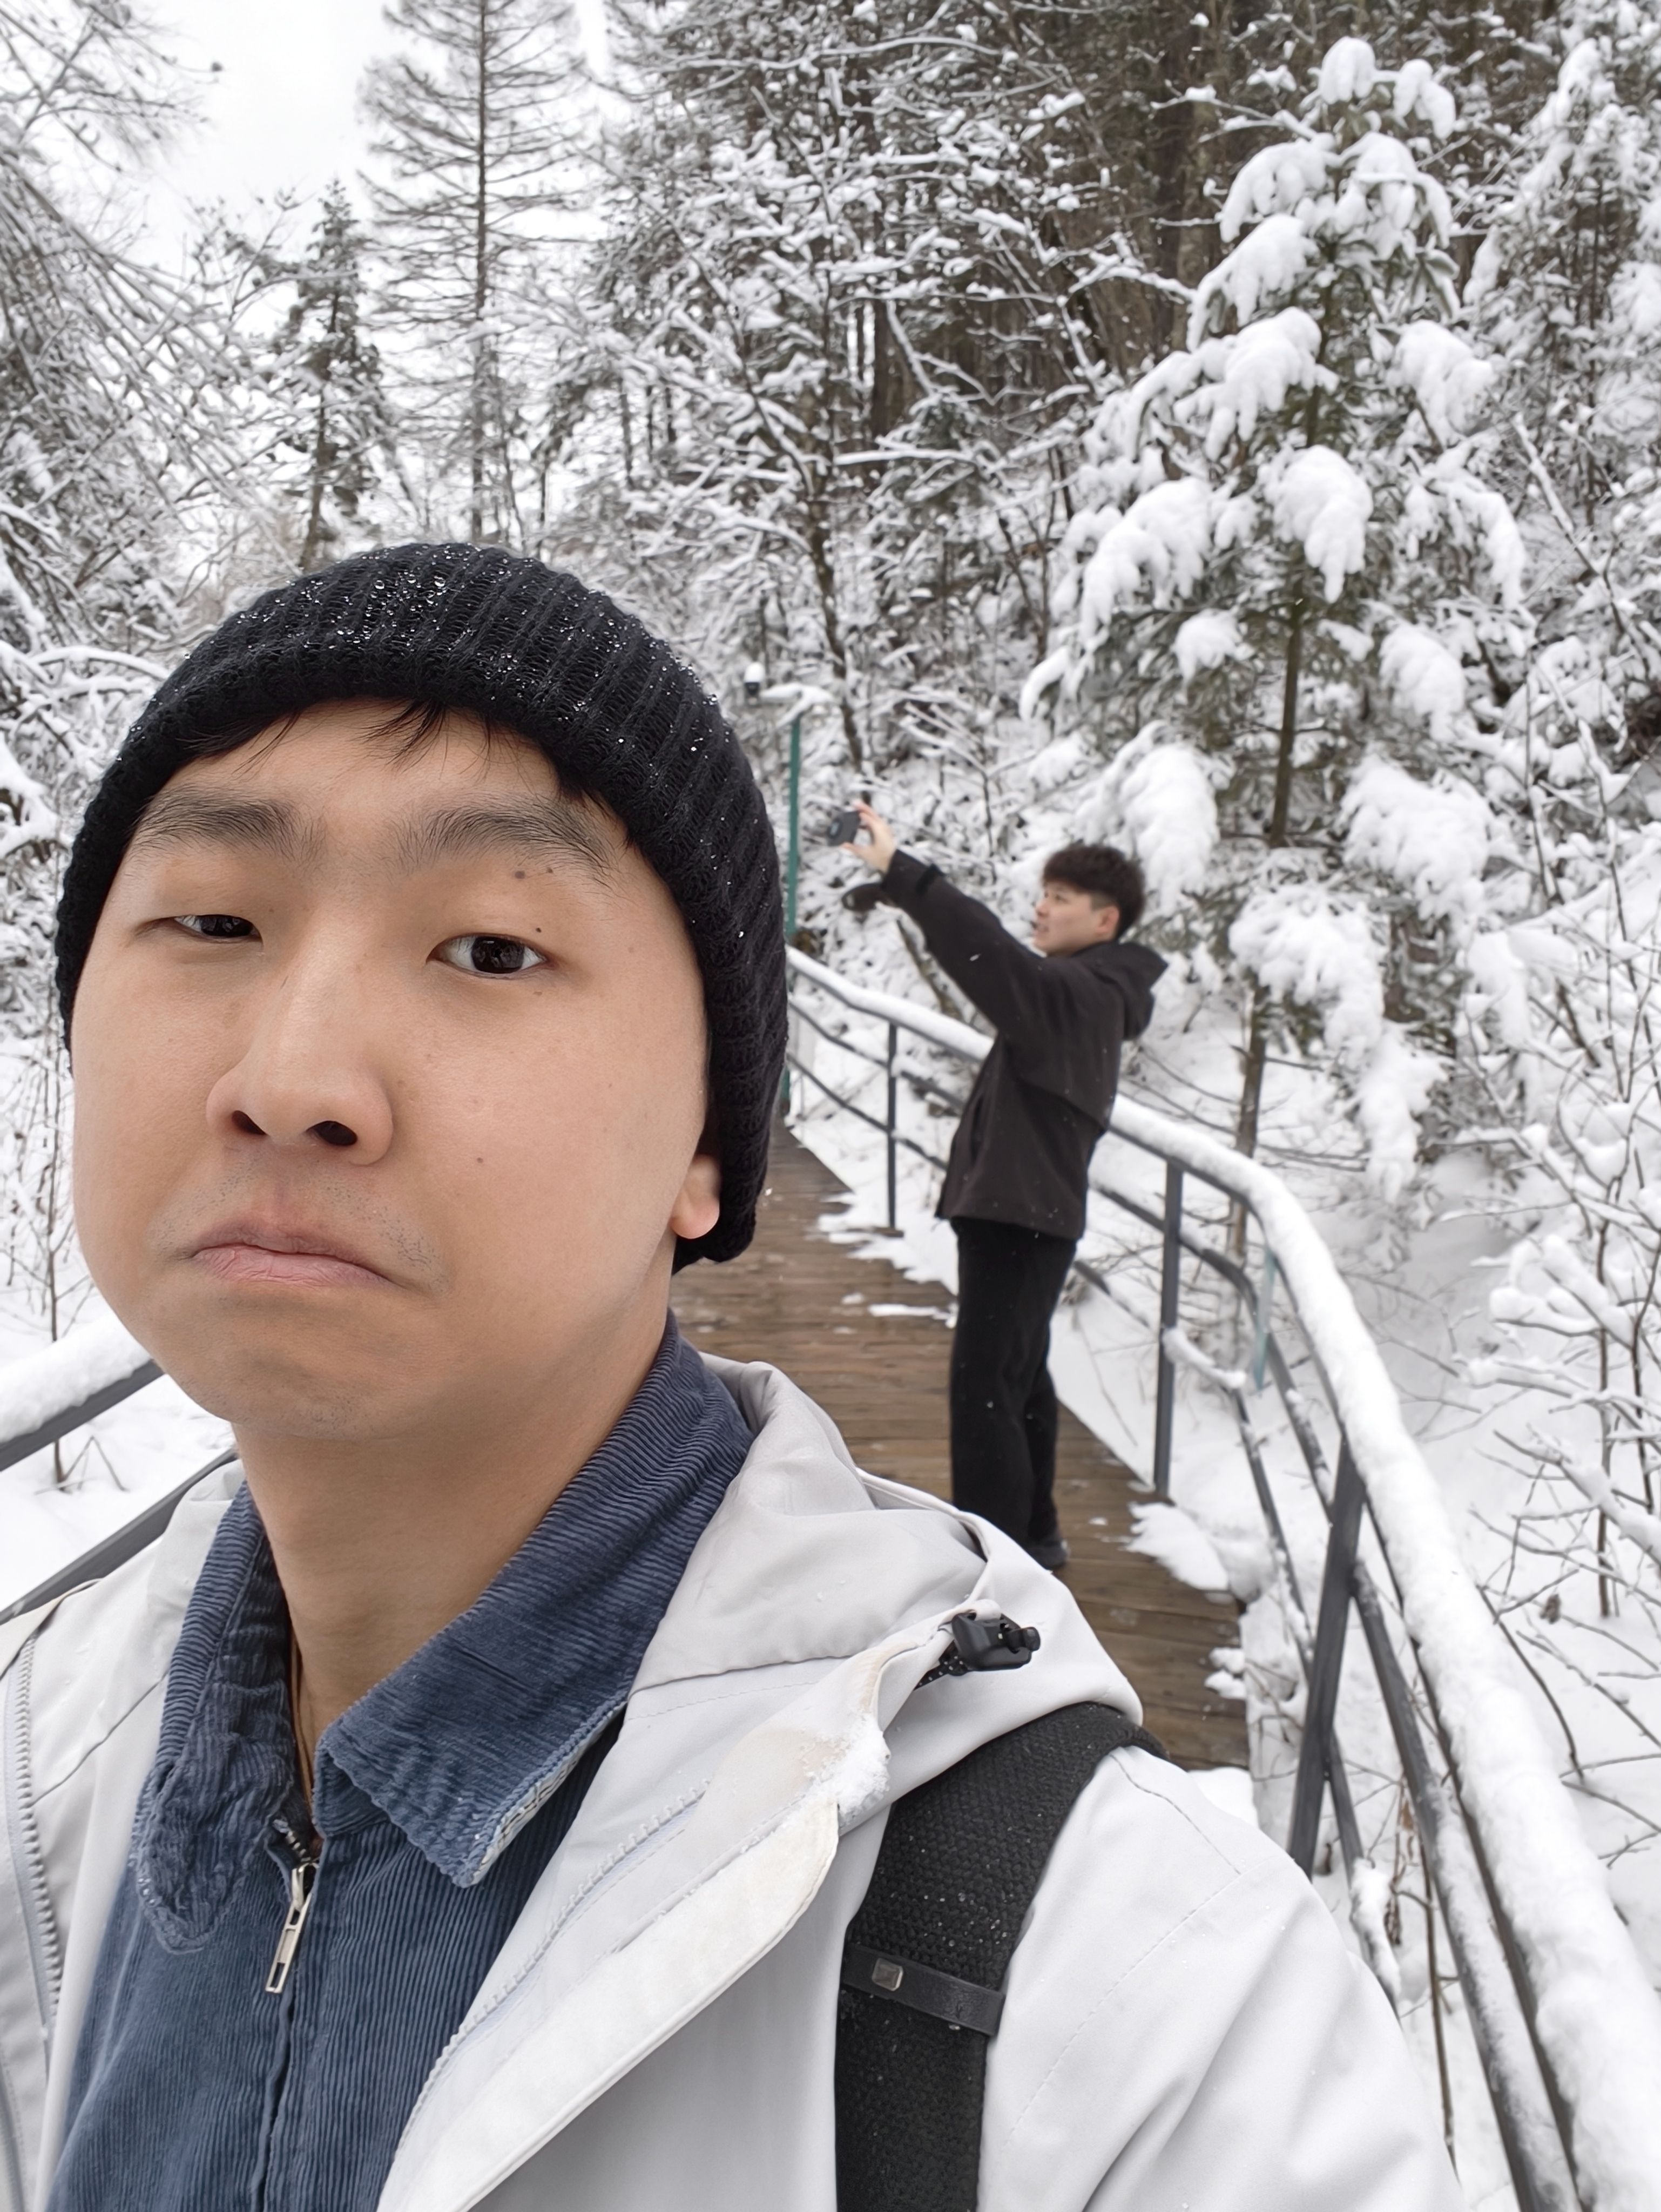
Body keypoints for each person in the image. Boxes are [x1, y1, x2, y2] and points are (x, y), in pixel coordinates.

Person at [0, 543, 1459, 2212]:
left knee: (1000, 1392)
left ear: (713, 1142)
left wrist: (918, 890)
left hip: (1014, 1228)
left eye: (489, 948)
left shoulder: (1139, 2010)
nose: (291, 1077)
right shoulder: (40, 1771)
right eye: (211, 920)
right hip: (1002, 1217)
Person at [846, 804, 1163, 1569]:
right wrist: (895, 893)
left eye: (1061, 898)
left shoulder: (1078, 994)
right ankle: (1034, 1538)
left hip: (1019, 1217)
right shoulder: (1088, 994)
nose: (1041, 908)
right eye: (1043, 893)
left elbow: (989, 956)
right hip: (1028, 1213)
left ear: (1105, 920)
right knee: (1017, 1376)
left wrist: (905, 875)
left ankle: (996, 1566)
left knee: (985, 1387)